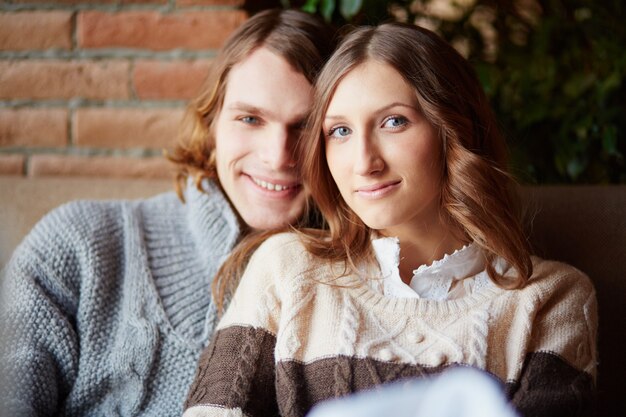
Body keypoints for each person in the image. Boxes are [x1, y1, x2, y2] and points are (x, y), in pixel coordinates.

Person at [182, 22, 598, 417]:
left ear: (454, 128)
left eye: (393, 122)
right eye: (339, 131)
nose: (364, 162)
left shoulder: (552, 300)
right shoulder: (285, 267)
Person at [0, 9, 335, 417]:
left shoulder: (359, 287)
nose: (277, 155)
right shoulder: (76, 244)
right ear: (211, 124)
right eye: (250, 118)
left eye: (305, 126)